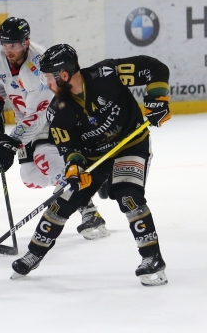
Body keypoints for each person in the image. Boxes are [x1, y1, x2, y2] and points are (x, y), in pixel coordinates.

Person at [11, 44, 170, 286]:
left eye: (48, 79)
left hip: (130, 146)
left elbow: (154, 68)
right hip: (94, 158)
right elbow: (69, 149)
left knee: (129, 197)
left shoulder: (107, 74)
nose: (47, 86)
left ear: (64, 75)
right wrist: (74, 169)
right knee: (61, 202)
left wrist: (157, 98)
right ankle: (34, 254)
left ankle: (152, 259)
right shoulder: (57, 111)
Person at [0, 17, 107, 238]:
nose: (9, 50)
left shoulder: (38, 68)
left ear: (26, 43)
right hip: (26, 122)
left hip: (55, 117)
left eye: (15, 45)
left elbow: (39, 115)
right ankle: (86, 173)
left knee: (46, 159)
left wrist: (11, 143)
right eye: (5, 44)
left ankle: (88, 210)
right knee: (30, 176)